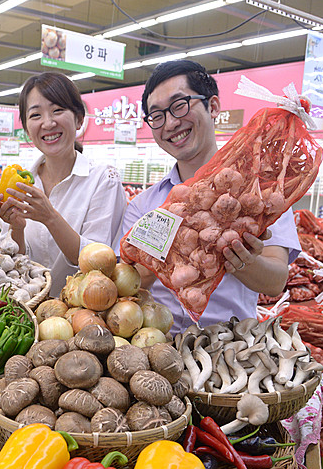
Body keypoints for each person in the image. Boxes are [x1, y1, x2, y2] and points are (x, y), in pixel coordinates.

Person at [118, 60, 301, 333]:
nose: (170, 123)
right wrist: (155, 261)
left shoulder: (258, 194)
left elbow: (275, 282)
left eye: (179, 106)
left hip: (231, 350)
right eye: (157, 115)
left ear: (213, 106)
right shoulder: (143, 205)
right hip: (156, 350)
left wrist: (241, 260)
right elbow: (126, 282)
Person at [0, 72, 127, 296]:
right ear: (26, 128)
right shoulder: (19, 182)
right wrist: (17, 228)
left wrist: (50, 217)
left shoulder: (103, 180)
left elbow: (98, 262)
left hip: (80, 316)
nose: (48, 123)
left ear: (78, 119)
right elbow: (13, 263)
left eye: (57, 110)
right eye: (36, 115)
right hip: (26, 313)